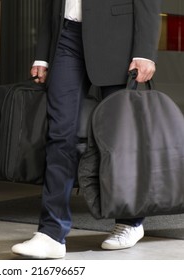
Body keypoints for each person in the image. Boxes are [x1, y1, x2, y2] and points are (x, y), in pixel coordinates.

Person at [11, 0, 162, 259]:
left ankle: (130, 221)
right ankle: (51, 232)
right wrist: (42, 54)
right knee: (60, 133)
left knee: (119, 136)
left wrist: (145, 50)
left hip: (118, 36)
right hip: (67, 35)